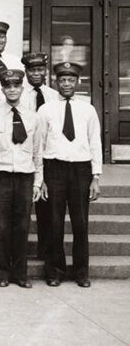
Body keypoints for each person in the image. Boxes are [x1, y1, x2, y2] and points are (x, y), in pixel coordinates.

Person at [37, 61, 102, 288]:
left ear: (78, 82)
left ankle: (81, 272)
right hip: (54, 168)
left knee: (80, 223)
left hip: (81, 170)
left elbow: (95, 142)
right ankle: (55, 271)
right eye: (62, 80)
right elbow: (40, 145)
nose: (66, 84)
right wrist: (41, 178)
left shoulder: (88, 109)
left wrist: (96, 177)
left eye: (71, 80)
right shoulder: (46, 109)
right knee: (54, 222)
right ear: (56, 82)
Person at [0, 69, 43, 288]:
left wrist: (37, 182)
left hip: (25, 177)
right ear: (2, 89)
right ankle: (3, 273)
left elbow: (38, 153)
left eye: (16, 86)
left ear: (22, 88)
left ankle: (21, 273)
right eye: (8, 86)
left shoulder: (33, 117)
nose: (12, 90)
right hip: (2, 176)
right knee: (2, 226)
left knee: (22, 225)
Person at [19, 52, 57, 261]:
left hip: (47, 154)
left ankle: (45, 250)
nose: (36, 73)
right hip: (24, 153)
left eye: (40, 69)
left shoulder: (53, 95)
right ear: (26, 72)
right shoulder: (19, 94)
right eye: (32, 70)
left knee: (47, 206)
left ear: (45, 71)